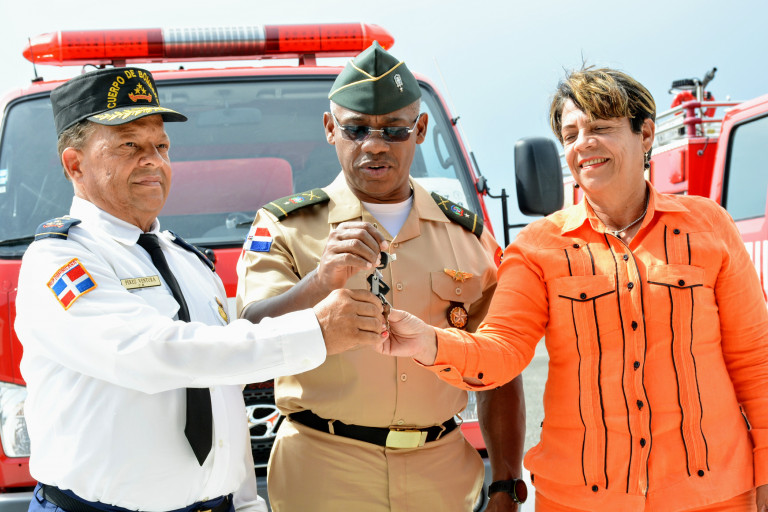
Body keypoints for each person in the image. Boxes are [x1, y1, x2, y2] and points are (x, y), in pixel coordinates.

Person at [382, 67, 768, 512]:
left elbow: (755, 362)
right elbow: (501, 350)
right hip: (580, 500)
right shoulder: (537, 248)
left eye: (600, 128)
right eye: (571, 135)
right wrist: (429, 342)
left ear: (645, 134)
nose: (583, 143)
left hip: (714, 495)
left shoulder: (710, 226)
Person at [15, 67, 386, 512]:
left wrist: (244, 501)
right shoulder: (59, 260)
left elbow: (221, 387)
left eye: (161, 146)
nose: (153, 161)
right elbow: (153, 353)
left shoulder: (190, 263)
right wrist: (316, 332)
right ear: (75, 164)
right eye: (129, 146)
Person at [235, 42, 526, 512]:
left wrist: (506, 483)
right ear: (330, 128)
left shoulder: (467, 237)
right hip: (325, 473)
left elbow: (499, 369)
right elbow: (248, 338)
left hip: (443, 476)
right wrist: (320, 281)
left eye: (394, 129)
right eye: (355, 129)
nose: (374, 145)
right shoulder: (285, 227)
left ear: (421, 130)